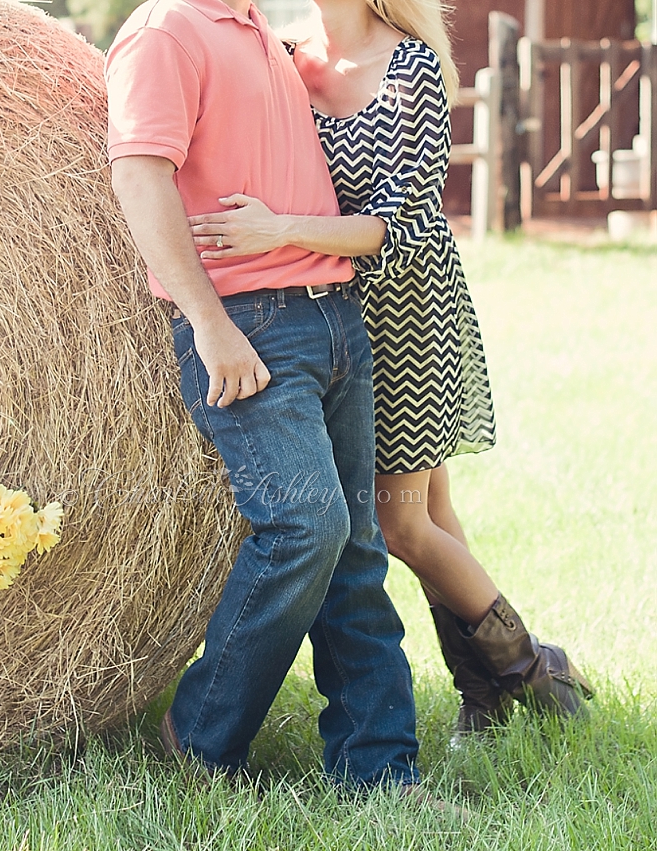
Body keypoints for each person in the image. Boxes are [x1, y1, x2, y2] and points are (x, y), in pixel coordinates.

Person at [186, 0, 593, 738]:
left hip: (404, 318)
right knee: (434, 516)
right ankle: (488, 688)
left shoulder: (411, 68)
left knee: (400, 525)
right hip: (319, 313)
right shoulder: (281, 55)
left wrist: (275, 229)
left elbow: (404, 224)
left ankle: (534, 670)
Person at [106, 0, 421, 788]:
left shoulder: (262, 32)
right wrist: (208, 324)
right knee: (305, 526)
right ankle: (202, 735)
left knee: (355, 551)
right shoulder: (165, 30)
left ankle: (380, 771)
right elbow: (140, 175)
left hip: (335, 319)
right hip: (249, 324)